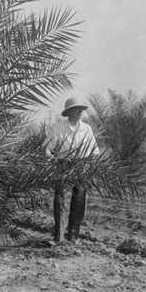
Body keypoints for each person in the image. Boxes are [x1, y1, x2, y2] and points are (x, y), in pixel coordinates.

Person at [42, 97, 99, 242]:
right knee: (59, 200)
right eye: (77, 108)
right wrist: (49, 157)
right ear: (69, 112)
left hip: (82, 166)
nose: (80, 111)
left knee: (79, 200)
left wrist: (89, 166)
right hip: (62, 165)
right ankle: (59, 237)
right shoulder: (58, 128)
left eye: (81, 109)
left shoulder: (87, 129)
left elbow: (94, 151)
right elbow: (47, 148)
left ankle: (73, 238)